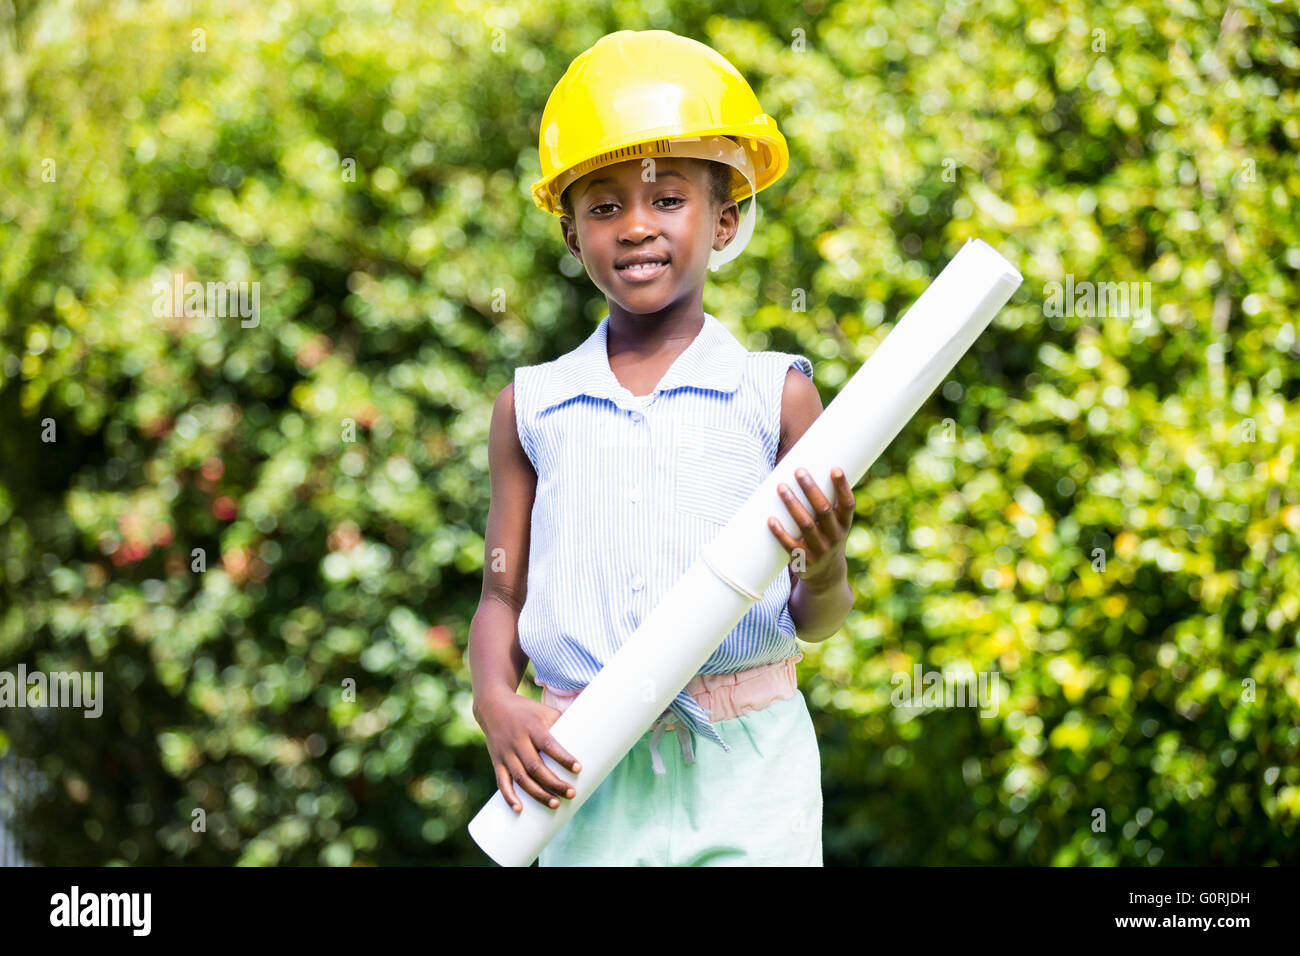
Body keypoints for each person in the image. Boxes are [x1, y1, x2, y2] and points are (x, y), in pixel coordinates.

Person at [468, 29, 856, 866]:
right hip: (584, 769)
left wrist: (823, 567)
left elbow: (819, 617)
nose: (636, 226)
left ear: (725, 220)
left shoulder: (778, 396)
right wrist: (494, 701)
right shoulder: (531, 408)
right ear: (572, 234)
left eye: (667, 200)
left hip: (752, 770)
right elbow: (502, 598)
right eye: (604, 206)